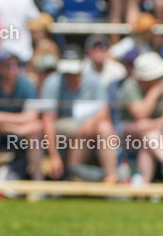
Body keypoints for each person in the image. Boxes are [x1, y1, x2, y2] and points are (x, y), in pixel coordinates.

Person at [39, 48, 117, 183]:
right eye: (67, 72)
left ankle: (112, 179)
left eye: (74, 72)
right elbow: (48, 121)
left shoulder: (93, 80)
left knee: (105, 128)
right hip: (62, 126)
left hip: (89, 125)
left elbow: (104, 112)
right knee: (79, 131)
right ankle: (73, 175)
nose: (70, 75)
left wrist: (88, 124)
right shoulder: (52, 83)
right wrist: (54, 156)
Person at [0, 48, 44, 183]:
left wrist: (0, 119)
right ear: (0, 67)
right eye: (9, 65)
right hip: (1, 132)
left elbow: (32, 116)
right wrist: (17, 128)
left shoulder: (26, 84)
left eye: (17, 65)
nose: (14, 69)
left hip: (11, 130)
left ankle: (38, 183)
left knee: (36, 128)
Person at [118, 52, 163, 183]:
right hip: (127, 134)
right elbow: (140, 114)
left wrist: (154, 124)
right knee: (145, 129)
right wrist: (153, 94)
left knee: (147, 140)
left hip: (154, 133)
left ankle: (143, 187)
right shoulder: (130, 86)